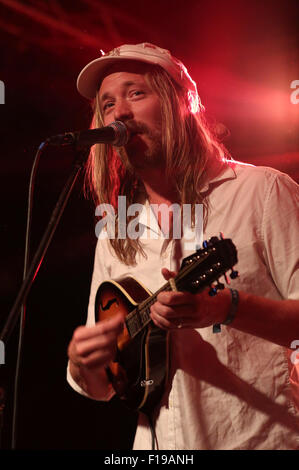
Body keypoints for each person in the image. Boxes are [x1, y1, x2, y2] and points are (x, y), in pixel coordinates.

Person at [67, 43, 299, 450]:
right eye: (107, 104)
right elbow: (105, 388)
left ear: (184, 102)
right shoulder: (118, 226)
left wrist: (226, 307)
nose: (119, 112)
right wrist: (84, 362)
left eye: (136, 93)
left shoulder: (262, 192)